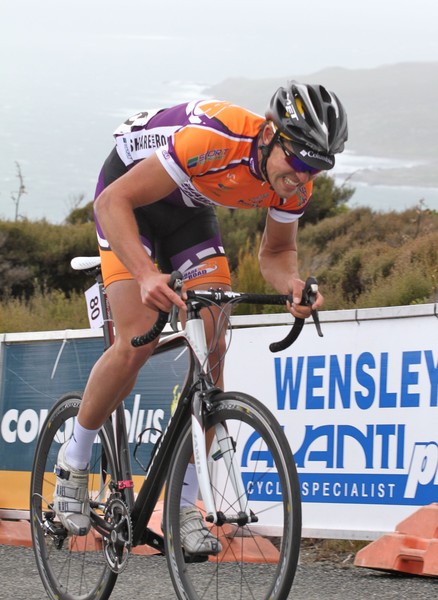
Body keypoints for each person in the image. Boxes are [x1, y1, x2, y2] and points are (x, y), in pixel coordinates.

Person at [53, 80, 348, 553]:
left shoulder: (296, 185)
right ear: (271, 133)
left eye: (314, 169)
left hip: (189, 209)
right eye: (295, 164)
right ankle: (74, 458)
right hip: (129, 196)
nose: (300, 179)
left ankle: (185, 506)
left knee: (212, 354)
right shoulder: (216, 140)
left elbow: (276, 253)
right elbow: (111, 204)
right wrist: (147, 274)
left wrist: (292, 285)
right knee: (136, 341)